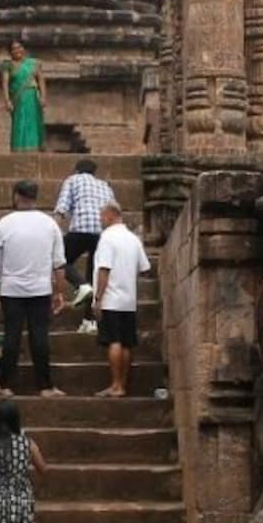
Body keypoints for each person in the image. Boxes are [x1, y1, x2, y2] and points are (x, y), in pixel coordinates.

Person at [0, 179, 65, 397]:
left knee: (11, 336)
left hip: (11, 289)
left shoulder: (4, 223)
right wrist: (59, 291)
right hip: (41, 289)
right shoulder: (49, 224)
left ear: (16, 196)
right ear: (35, 197)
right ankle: (45, 386)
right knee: (39, 337)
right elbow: (59, 262)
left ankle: (5, 385)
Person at [89, 200, 151, 397]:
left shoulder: (107, 238)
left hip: (111, 299)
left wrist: (98, 298)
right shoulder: (133, 239)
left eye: (101, 217)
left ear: (109, 215)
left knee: (114, 341)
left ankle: (115, 385)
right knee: (126, 343)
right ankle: (121, 385)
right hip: (128, 300)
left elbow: (104, 270)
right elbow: (144, 268)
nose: (100, 220)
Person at [53, 158, 114, 307]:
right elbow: (112, 211)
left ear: (77, 170)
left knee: (58, 260)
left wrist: (52, 232)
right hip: (102, 234)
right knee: (93, 275)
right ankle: (89, 321)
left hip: (81, 229)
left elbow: (62, 208)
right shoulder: (105, 186)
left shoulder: (73, 180)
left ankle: (80, 284)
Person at [2, 39, 46, 152]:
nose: (17, 50)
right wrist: (7, 101)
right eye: (13, 49)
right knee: (20, 122)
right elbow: (5, 83)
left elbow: (41, 80)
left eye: (19, 47)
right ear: (10, 52)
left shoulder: (34, 64)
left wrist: (43, 97)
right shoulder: (8, 65)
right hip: (18, 98)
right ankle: (18, 149)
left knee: (33, 123)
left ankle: (34, 148)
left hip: (32, 96)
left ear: (24, 48)